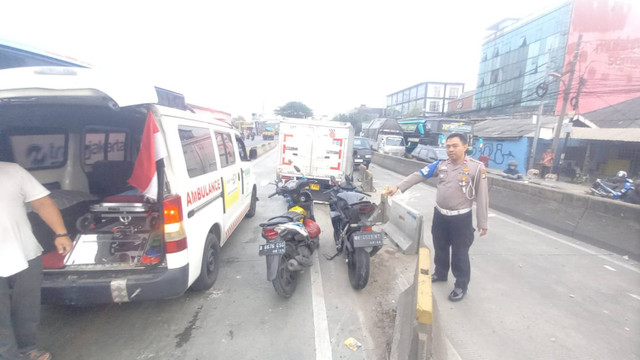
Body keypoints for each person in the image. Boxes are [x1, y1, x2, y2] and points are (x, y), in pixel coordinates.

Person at [386, 134, 488, 302]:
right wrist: (398, 186)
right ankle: (441, 273)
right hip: (440, 215)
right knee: (439, 247)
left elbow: (483, 196)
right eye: (448, 146)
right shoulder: (440, 165)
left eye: (455, 146)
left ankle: (461, 285)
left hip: (461, 219)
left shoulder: (476, 168)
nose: (450, 149)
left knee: (460, 253)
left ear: (465, 147)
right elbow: (419, 174)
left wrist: (482, 222)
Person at [1, 162, 72, 360]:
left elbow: (42, 202)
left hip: (25, 252)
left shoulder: (12, 170)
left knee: (27, 307)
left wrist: (61, 233)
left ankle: (27, 349)